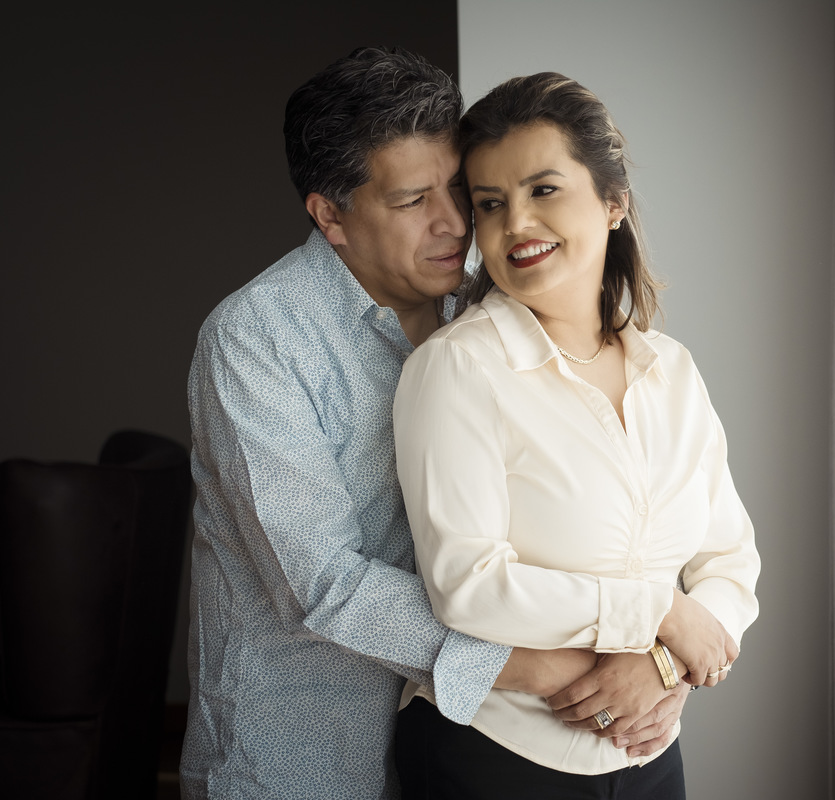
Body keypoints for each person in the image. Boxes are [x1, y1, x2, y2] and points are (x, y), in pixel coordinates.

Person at [182, 48, 685, 800]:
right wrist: (547, 667)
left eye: (458, 188)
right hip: (305, 755)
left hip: (482, 745)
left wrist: (653, 658)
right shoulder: (254, 340)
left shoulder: (500, 311)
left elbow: (600, 505)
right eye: (414, 200)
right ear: (330, 215)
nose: (455, 223)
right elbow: (321, 581)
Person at [393, 72, 761, 799]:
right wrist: (655, 611)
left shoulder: (673, 372)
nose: (515, 224)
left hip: (650, 753)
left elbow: (730, 560)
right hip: (496, 757)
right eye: (490, 204)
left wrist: (665, 666)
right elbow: (468, 587)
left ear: (614, 202)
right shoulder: (457, 369)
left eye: (544, 190)